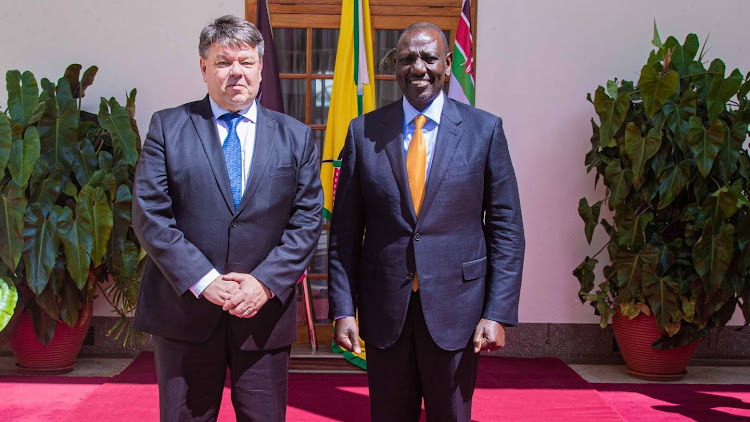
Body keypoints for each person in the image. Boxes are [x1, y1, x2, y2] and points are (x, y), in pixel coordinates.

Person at [328, 21, 525, 422]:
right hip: (385, 312)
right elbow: (344, 234)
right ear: (395, 68)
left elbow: (506, 228)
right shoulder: (363, 132)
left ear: (448, 65)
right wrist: (343, 308)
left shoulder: (484, 130)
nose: (418, 68)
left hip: (458, 311)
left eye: (428, 57)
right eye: (406, 59)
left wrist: (497, 311)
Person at [131, 15, 323, 422]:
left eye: (246, 61)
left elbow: (306, 221)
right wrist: (206, 281)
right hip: (186, 315)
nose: (236, 71)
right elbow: (150, 215)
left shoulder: (296, 136)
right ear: (203, 68)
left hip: (263, 317)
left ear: (259, 67)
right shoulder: (168, 128)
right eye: (223, 62)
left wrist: (265, 283)